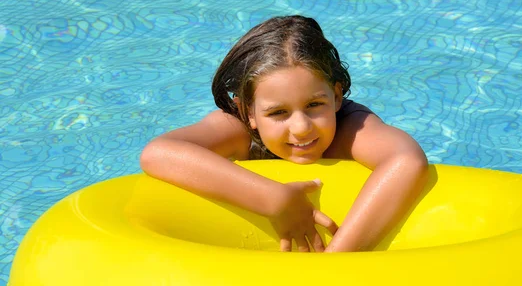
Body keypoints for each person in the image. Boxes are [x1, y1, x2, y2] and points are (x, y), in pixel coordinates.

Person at [140, 15, 429, 253]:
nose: (302, 127)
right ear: (248, 112)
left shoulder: (351, 128)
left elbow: (406, 160)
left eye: (315, 105)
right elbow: (158, 153)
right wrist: (274, 199)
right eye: (278, 113)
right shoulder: (239, 131)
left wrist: (335, 264)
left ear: (337, 96)